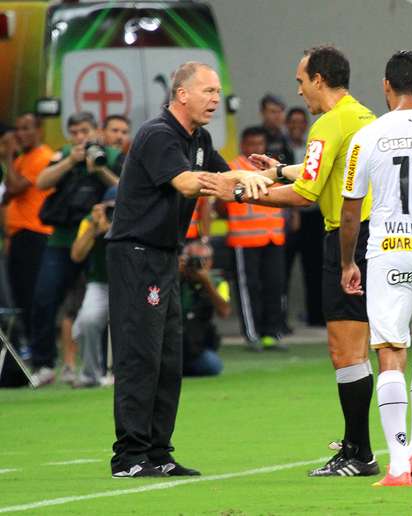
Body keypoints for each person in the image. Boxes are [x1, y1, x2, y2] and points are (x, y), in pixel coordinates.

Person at [199, 45, 379, 477]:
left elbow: (306, 196)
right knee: (368, 349)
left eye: (301, 81)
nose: (298, 91)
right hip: (380, 238)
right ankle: (361, 445)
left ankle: (359, 452)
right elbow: (325, 171)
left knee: (346, 351)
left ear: (319, 79)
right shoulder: (364, 117)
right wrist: (278, 170)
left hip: (348, 239)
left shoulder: (326, 124)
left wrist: (242, 193)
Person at [105, 61, 271, 478]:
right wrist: (235, 178)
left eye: (217, 92)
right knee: (140, 355)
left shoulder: (199, 138)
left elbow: (225, 178)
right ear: (182, 94)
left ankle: (158, 453)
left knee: (168, 355)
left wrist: (267, 176)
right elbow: (186, 183)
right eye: (208, 91)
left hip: (164, 256)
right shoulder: (157, 134)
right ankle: (128, 457)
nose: (216, 99)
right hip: (136, 254)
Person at [339, 50, 412, 487]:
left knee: (391, 353)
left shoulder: (367, 136)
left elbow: (350, 212)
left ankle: (396, 464)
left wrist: (347, 260)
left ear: (385, 86)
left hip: (390, 252)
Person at [29, 111, 121, 386]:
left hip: (99, 242)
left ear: (96, 131)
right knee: (45, 297)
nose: (81, 137)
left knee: (97, 305)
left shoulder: (113, 155)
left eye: (85, 131)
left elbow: (127, 190)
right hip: (63, 239)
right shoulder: (65, 154)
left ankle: (100, 369)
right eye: (76, 132)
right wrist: (71, 160)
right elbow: (41, 182)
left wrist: (100, 169)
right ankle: (44, 364)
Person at [226, 126, 287, 351]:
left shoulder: (273, 167)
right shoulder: (234, 168)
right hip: (245, 239)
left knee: (275, 285)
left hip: (273, 237)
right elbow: (223, 203)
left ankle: (273, 332)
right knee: (249, 288)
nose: (256, 148)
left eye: (259, 144)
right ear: (244, 146)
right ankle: (252, 334)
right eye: (251, 144)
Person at [2, 114, 53, 352]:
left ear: (39, 130)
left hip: (35, 233)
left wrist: (8, 157)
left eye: (26, 128)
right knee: (19, 294)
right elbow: (8, 196)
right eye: (18, 129)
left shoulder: (41, 157)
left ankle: (39, 348)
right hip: (19, 235)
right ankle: (27, 346)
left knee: (32, 294)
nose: (21, 134)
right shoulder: (25, 158)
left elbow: (13, 187)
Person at [70, 187, 116, 388]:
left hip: (132, 283)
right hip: (101, 283)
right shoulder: (91, 221)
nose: (113, 213)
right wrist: (95, 230)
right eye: (110, 208)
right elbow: (76, 255)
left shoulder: (135, 216)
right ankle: (91, 375)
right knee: (86, 322)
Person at [284, 106, 325, 328]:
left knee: (315, 267)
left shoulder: (314, 145)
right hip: (291, 215)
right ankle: (281, 320)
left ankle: (316, 315)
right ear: (287, 124)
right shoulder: (281, 148)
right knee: (285, 269)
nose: (297, 126)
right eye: (293, 122)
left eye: (301, 122)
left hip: (314, 215)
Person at [179, 241, 230, 377]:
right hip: (172, 342)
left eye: (202, 260)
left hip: (196, 346)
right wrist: (178, 275)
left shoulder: (218, 282)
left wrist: (207, 283)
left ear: (211, 262)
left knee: (213, 365)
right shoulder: (173, 278)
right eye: (193, 260)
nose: (197, 265)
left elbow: (224, 312)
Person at [256, 93, 294, 164]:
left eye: (280, 111)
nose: (278, 116)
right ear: (263, 113)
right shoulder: (255, 138)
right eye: (273, 112)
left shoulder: (287, 137)